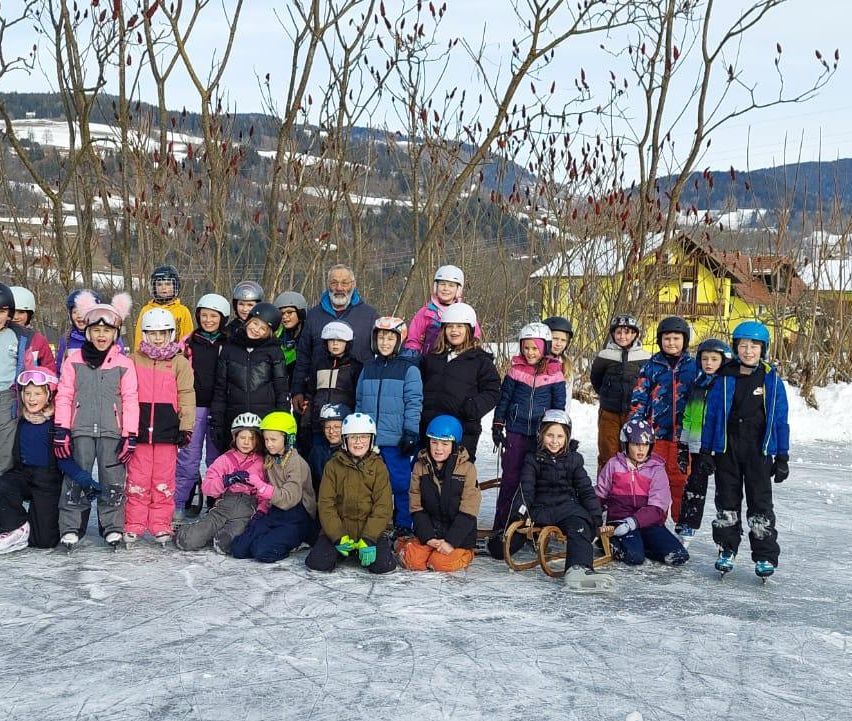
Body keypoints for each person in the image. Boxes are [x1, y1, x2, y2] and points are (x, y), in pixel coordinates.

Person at [700, 321, 789, 580]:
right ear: (735, 347)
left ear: (763, 349)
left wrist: (782, 455)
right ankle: (726, 549)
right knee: (726, 501)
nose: (748, 351)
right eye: (743, 345)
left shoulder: (771, 379)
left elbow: (780, 419)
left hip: (759, 451)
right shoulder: (724, 378)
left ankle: (764, 555)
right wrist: (706, 451)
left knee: (760, 503)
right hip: (728, 449)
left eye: (754, 346)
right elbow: (712, 416)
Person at [53, 293, 138, 551]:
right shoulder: (73, 360)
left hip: (112, 430)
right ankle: (71, 527)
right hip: (80, 429)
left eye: (107, 330)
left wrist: (130, 433)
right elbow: (65, 395)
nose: (101, 335)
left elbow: (131, 399)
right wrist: (61, 428)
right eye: (96, 329)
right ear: (88, 332)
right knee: (76, 477)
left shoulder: (124, 364)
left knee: (112, 478)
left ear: (115, 333)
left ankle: (112, 526)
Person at [517, 409, 613, 591]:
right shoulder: (533, 459)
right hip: (542, 509)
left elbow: (585, 489)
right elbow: (526, 488)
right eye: (550, 435)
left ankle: (578, 568)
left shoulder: (574, 460)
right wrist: (521, 513)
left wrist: (595, 516)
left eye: (560, 436)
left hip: (567, 508)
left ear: (567, 438)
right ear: (541, 435)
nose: (554, 441)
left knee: (581, 526)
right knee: (579, 521)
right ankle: (578, 569)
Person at [0, 370, 94, 553]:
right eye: (27, 393)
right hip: (22, 475)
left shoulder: (55, 426)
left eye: (37, 393)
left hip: (47, 481)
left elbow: (64, 459)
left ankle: (33, 525)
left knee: (43, 541)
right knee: (3, 485)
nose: (31, 398)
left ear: (49, 395)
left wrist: (83, 478)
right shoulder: (20, 421)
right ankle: (16, 526)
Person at [124, 309, 196, 547]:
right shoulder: (134, 360)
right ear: (144, 334)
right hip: (141, 431)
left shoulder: (179, 363)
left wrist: (186, 426)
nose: (157, 338)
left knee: (163, 481)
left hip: (167, 432)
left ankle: (160, 524)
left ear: (171, 334)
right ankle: (134, 524)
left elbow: (186, 395)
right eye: (152, 333)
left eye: (162, 333)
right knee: (138, 480)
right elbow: (125, 393)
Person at [490, 322, 566, 543]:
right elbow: (504, 399)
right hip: (516, 430)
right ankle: (502, 524)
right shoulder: (516, 370)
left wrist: (560, 433)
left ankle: (534, 526)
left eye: (535, 348)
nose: (530, 353)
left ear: (545, 348)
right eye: (526, 348)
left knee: (537, 480)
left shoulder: (555, 373)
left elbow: (558, 406)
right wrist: (498, 424)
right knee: (511, 477)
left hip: (541, 435)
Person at [355, 317, 423, 535]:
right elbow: (359, 400)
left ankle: (403, 524)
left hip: (395, 439)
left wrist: (411, 431)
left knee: (400, 484)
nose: (385, 342)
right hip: (369, 441)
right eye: (381, 337)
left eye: (390, 338)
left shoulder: (409, 370)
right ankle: (370, 522)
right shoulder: (368, 369)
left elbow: (414, 403)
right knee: (367, 484)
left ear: (399, 340)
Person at [305, 413, 396, 574]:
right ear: (345, 440)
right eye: (353, 437)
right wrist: (337, 536)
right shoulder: (333, 465)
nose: (358, 442)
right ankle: (343, 550)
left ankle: (364, 547)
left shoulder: (378, 467)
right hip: (341, 530)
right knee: (318, 563)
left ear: (371, 440)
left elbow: (383, 506)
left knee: (384, 565)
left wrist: (369, 538)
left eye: (363, 437)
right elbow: (326, 504)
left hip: (368, 530)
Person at [629, 315, 697, 523]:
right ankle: (654, 521)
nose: (672, 343)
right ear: (660, 341)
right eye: (667, 338)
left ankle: (681, 521)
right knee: (654, 478)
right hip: (655, 433)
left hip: (682, 435)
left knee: (679, 479)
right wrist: (636, 425)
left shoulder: (694, 367)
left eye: (676, 338)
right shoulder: (651, 366)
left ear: (684, 340)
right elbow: (639, 397)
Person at [595, 419, 689, 567]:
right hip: (620, 523)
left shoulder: (657, 469)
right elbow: (600, 494)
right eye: (635, 444)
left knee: (678, 555)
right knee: (634, 557)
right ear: (626, 444)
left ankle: (641, 544)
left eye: (645, 445)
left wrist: (633, 522)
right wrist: (591, 518)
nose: (641, 450)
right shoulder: (614, 465)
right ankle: (610, 542)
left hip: (648, 524)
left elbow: (658, 507)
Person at [291, 265, 378, 418]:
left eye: (345, 283)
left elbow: (379, 355)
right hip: (320, 398)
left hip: (357, 396)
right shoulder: (314, 315)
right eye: (334, 282)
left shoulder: (369, 315)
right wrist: (297, 390)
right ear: (327, 284)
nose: (339, 288)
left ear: (353, 284)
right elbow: (303, 356)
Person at [230, 411, 317, 563]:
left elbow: (289, 499)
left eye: (273, 439)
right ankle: (275, 537)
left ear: (288, 439)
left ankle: (299, 539)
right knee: (238, 548)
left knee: (263, 551)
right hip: (276, 511)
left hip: (296, 515)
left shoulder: (296, 463)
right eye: (266, 439)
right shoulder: (271, 458)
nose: (269, 444)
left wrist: (262, 487)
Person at [397, 415, 480, 572]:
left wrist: (450, 542)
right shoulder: (419, 467)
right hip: (432, 531)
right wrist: (428, 537)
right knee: (414, 562)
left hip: (457, 535)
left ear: (454, 445)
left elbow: (469, 512)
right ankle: (411, 546)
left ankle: (466, 553)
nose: (438, 448)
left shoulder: (467, 469)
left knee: (439, 563)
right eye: (434, 442)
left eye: (444, 443)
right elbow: (416, 507)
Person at [174, 413, 267, 554]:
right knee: (188, 541)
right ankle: (186, 532)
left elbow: (265, 492)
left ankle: (220, 537)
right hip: (223, 508)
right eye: (242, 437)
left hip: (247, 511)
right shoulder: (225, 459)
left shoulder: (261, 463)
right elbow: (207, 487)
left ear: (258, 440)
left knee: (226, 544)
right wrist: (226, 480)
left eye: (251, 438)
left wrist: (261, 511)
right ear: (235, 438)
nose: (247, 442)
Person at [174, 293, 231, 521]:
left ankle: (215, 503)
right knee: (188, 458)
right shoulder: (188, 343)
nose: (208, 320)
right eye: (204, 315)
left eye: (213, 316)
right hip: (193, 406)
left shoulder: (228, 344)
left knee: (217, 460)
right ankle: (178, 503)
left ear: (222, 319)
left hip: (219, 407)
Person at [420, 302, 500, 463]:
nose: (454, 331)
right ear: (443, 330)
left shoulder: (479, 360)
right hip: (431, 427)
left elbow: (493, 390)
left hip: (463, 428)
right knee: (427, 474)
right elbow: (418, 386)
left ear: (469, 330)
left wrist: (474, 407)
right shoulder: (432, 358)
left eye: (459, 326)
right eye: (450, 327)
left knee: (458, 475)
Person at [210, 302, 289, 452]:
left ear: (270, 332)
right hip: (234, 416)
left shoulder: (274, 352)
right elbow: (220, 389)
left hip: (265, 418)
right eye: (255, 323)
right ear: (249, 321)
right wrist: (217, 421)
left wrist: (281, 423)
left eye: (263, 328)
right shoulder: (229, 348)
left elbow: (281, 389)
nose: (256, 330)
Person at [675, 338, 732, 545]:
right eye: (705, 359)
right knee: (695, 487)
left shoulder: (727, 386)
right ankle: (687, 527)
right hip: (698, 445)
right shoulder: (698, 385)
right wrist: (683, 444)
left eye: (714, 359)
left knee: (725, 492)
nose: (709, 363)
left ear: (723, 361)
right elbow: (688, 416)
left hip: (721, 448)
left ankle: (726, 537)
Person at [590, 314, 650, 471]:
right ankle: (605, 491)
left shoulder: (644, 358)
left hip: (634, 414)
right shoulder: (605, 356)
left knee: (633, 452)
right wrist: (607, 395)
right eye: (618, 333)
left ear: (635, 334)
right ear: (612, 334)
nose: (623, 336)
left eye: (627, 332)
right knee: (608, 452)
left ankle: (630, 490)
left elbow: (648, 384)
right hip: (609, 413)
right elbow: (596, 379)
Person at [0, 283, 42, 473]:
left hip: (8, 395)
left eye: (3, 311)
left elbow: (31, 366)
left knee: (7, 443)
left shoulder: (21, 337)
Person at [304, 320, 362, 454]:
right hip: (319, 424)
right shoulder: (319, 364)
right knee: (319, 458)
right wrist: (307, 418)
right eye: (331, 340)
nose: (335, 344)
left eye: (340, 340)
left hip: (342, 424)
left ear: (347, 343)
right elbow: (311, 392)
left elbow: (358, 396)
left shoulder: (355, 367)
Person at [404, 265, 481, 355]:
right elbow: (413, 341)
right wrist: (412, 361)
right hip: (430, 362)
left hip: (460, 362)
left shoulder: (466, 313)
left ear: (458, 289)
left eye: (451, 285)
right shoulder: (426, 313)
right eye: (442, 284)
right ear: (436, 286)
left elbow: (475, 338)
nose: (446, 289)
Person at [133, 265, 194, 349]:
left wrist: (186, 357)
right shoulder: (146, 310)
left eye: (168, 284)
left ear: (175, 286)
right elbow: (139, 338)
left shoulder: (182, 311)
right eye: (159, 284)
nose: (163, 288)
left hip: (176, 357)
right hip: (150, 358)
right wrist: (138, 357)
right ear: (153, 287)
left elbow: (188, 338)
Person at [9, 286, 57, 373]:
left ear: (29, 314)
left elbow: (50, 370)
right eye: (12, 312)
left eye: (21, 312)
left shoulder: (38, 340)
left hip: (28, 384)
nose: (15, 317)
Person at [307, 402, 350, 494]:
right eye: (327, 427)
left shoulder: (352, 453)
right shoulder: (317, 452)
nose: (331, 431)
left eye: (337, 427)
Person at [273, 291, 308, 386]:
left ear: (300, 313)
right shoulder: (277, 335)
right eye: (282, 313)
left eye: (289, 312)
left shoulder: (308, 335)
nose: (285, 317)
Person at [543, 316, 574, 414]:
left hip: (552, 420)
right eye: (555, 339)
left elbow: (567, 400)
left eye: (563, 340)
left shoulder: (565, 366)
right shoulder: (534, 361)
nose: (559, 344)